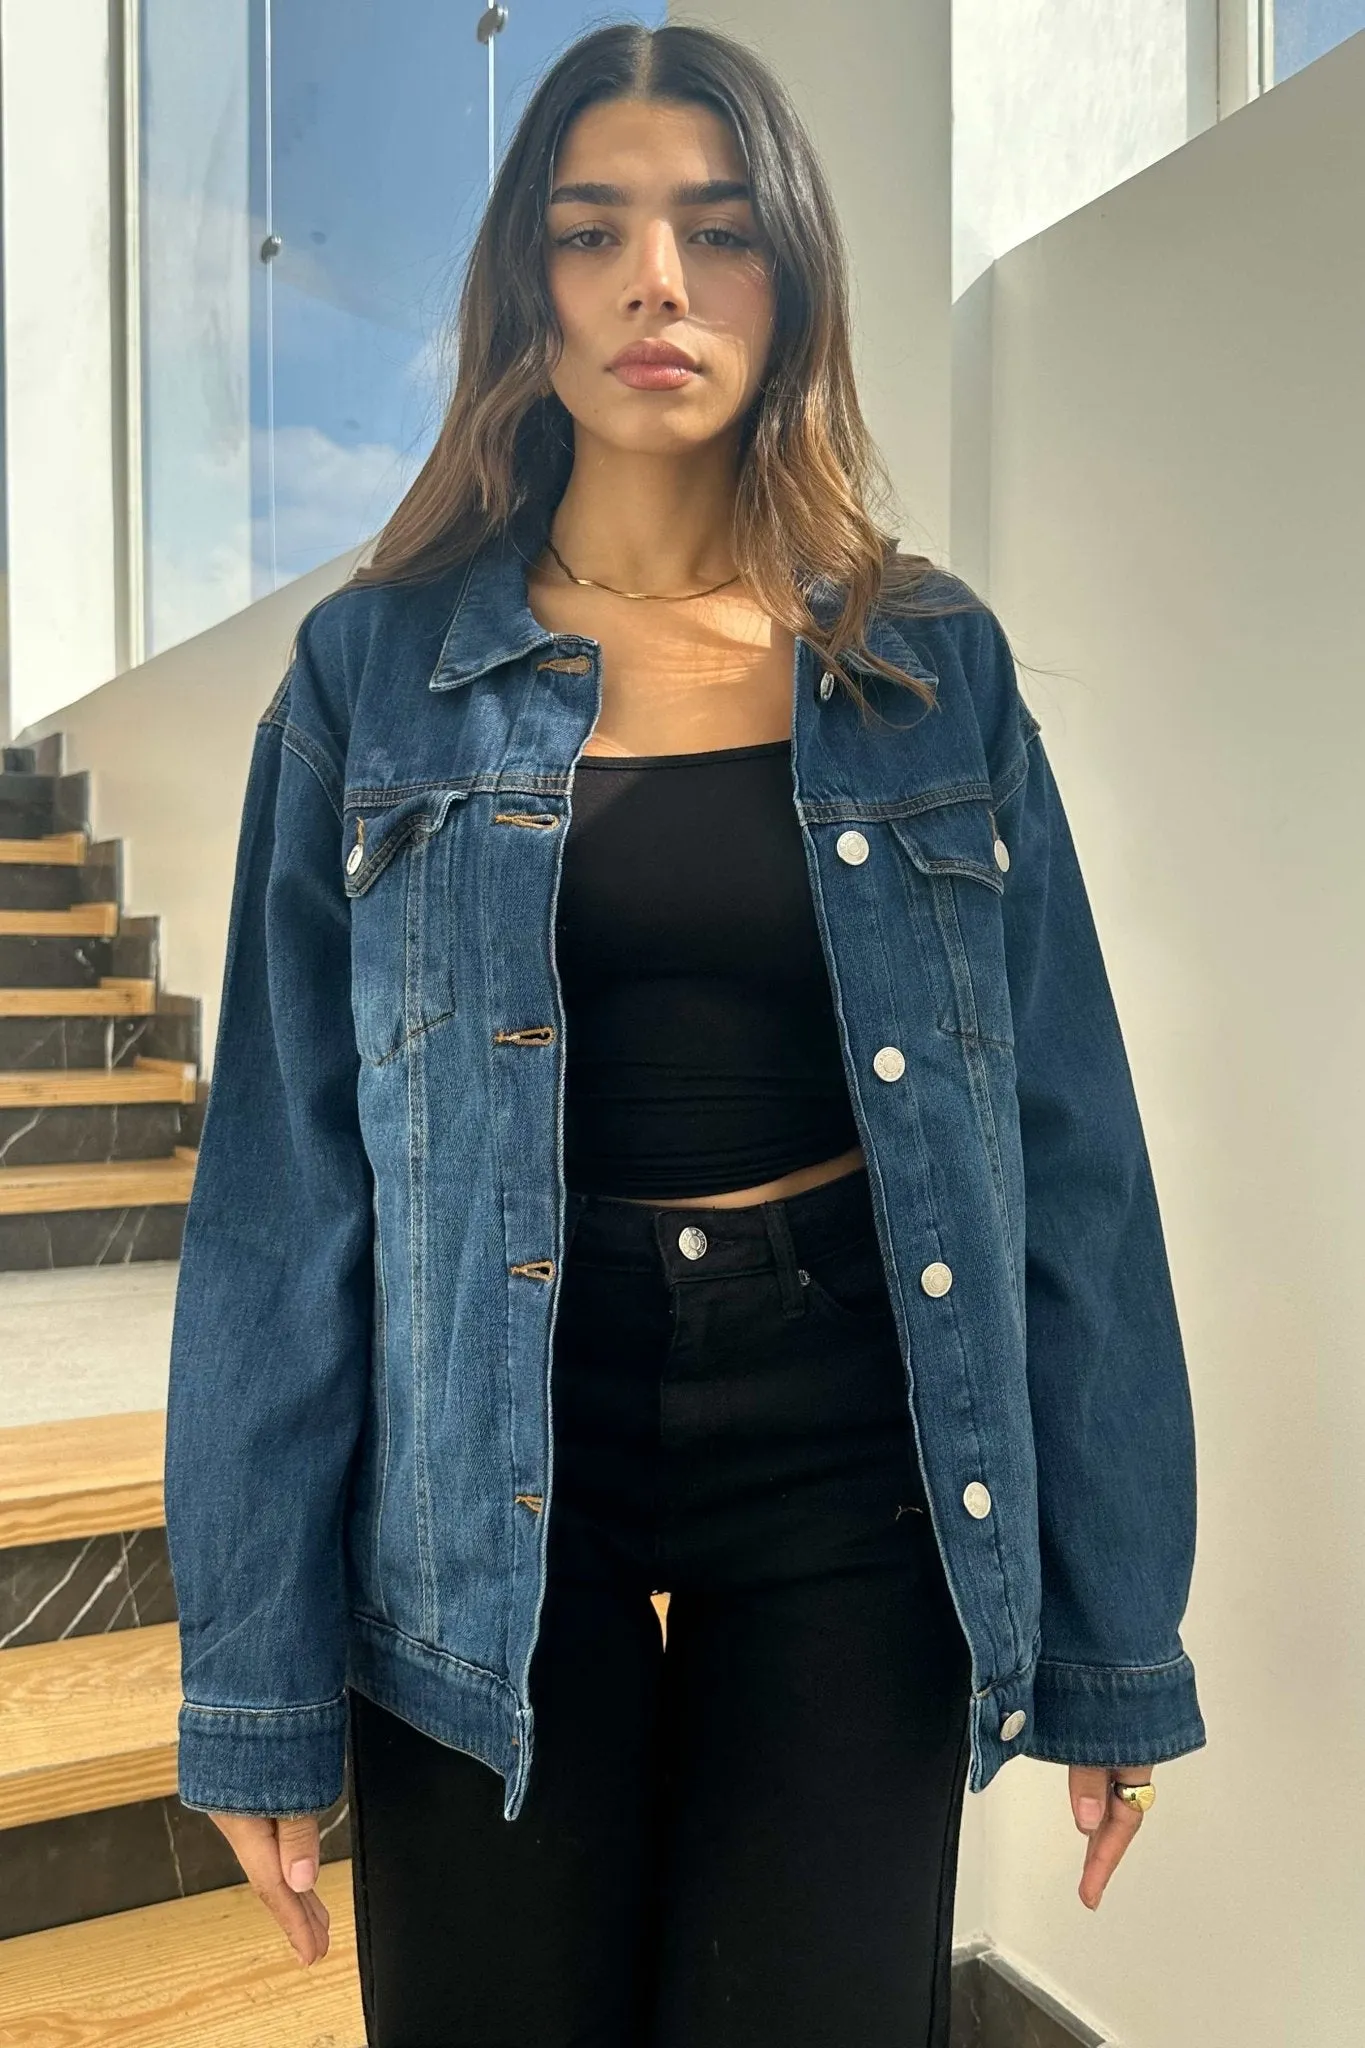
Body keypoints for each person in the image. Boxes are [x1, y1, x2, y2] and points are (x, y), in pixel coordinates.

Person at [163, 22, 1206, 2048]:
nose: (658, 281)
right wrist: (257, 1683)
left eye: (717, 230)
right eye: (595, 231)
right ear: (528, 291)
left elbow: (1066, 1143)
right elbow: (283, 1204)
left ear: (789, 279)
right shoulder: (373, 673)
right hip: (484, 1439)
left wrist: (1113, 1632)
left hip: (851, 1437)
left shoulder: (928, 663)